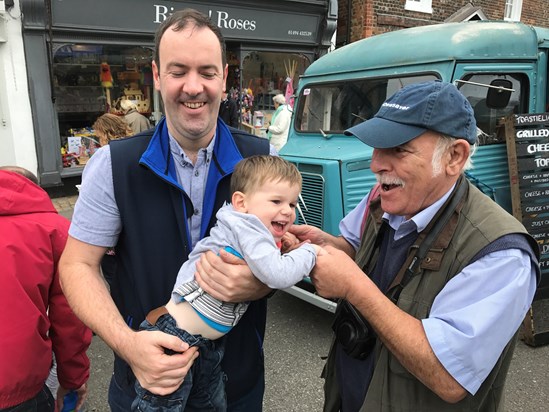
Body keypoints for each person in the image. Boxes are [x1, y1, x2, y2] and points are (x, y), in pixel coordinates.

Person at [58, 8, 277, 412]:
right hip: (145, 387)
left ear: (224, 79)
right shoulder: (112, 166)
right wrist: (129, 346)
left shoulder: (264, 161)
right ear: (157, 77)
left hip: (237, 389)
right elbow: (76, 266)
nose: (193, 87)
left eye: (207, 72)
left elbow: (293, 251)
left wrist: (261, 283)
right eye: (178, 71)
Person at [287, 80, 540, 411]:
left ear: (455, 156)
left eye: (398, 149)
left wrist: (352, 287)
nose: (376, 164)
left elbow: (449, 376)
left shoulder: (502, 254)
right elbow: (354, 249)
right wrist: (324, 246)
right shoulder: (383, 197)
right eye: (378, 147)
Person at [134, 155, 322, 410]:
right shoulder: (248, 227)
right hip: (176, 339)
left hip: (199, 342)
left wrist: (283, 246)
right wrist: (311, 253)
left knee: (210, 404)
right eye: (276, 201)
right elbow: (276, 274)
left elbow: (264, 258)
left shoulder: (246, 225)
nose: (287, 211)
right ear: (241, 202)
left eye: (291, 203)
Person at [0, 167, 92, 412]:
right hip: (18, 385)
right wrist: (73, 379)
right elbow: (70, 317)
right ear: (36, 190)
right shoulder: (55, 230)